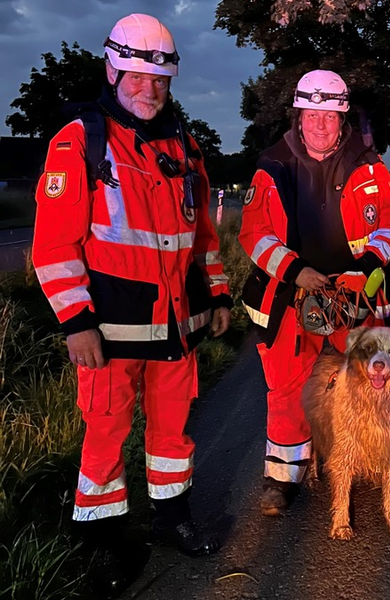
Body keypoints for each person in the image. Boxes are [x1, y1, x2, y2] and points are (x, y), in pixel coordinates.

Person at [32, 13, 232, 596]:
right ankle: (102, 541)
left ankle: (171, 521)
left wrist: (216, 293)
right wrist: (75, 321)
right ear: (112, 69)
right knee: (106, 436)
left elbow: (202, 238)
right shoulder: (80, 140)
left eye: (160, 80)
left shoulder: (186, 145)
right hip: (110, 331)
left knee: (173, 436)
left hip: (177, 327)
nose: (149, 89)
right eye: (138, 77)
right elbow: (53, 245)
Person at [239, 69, 390, 517]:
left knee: (366, 385)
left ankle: (364, 464)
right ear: (298, 115)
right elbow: (254, 234)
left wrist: (367, 267)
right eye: (311, 114)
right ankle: (283, 477)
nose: (318, 124)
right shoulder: (271, 165)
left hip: (355, 297)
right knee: (288, 386)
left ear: (342, 118)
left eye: (328, 116)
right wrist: (297, 271)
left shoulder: (369, 165)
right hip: (291, 295)